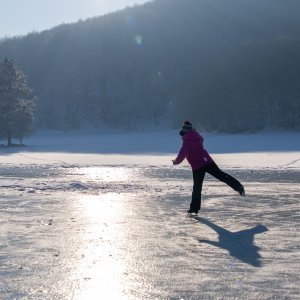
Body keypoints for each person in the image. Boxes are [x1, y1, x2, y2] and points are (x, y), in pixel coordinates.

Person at [172, 121, 245, 215]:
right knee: (221, 176)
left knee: (197, 187)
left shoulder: (187, 141)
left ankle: (194, 208)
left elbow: (183, 152)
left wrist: (176, 161)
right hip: (207, 161)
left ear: (184, 132)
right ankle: (238, 186)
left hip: (197, 166)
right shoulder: (196, 136)